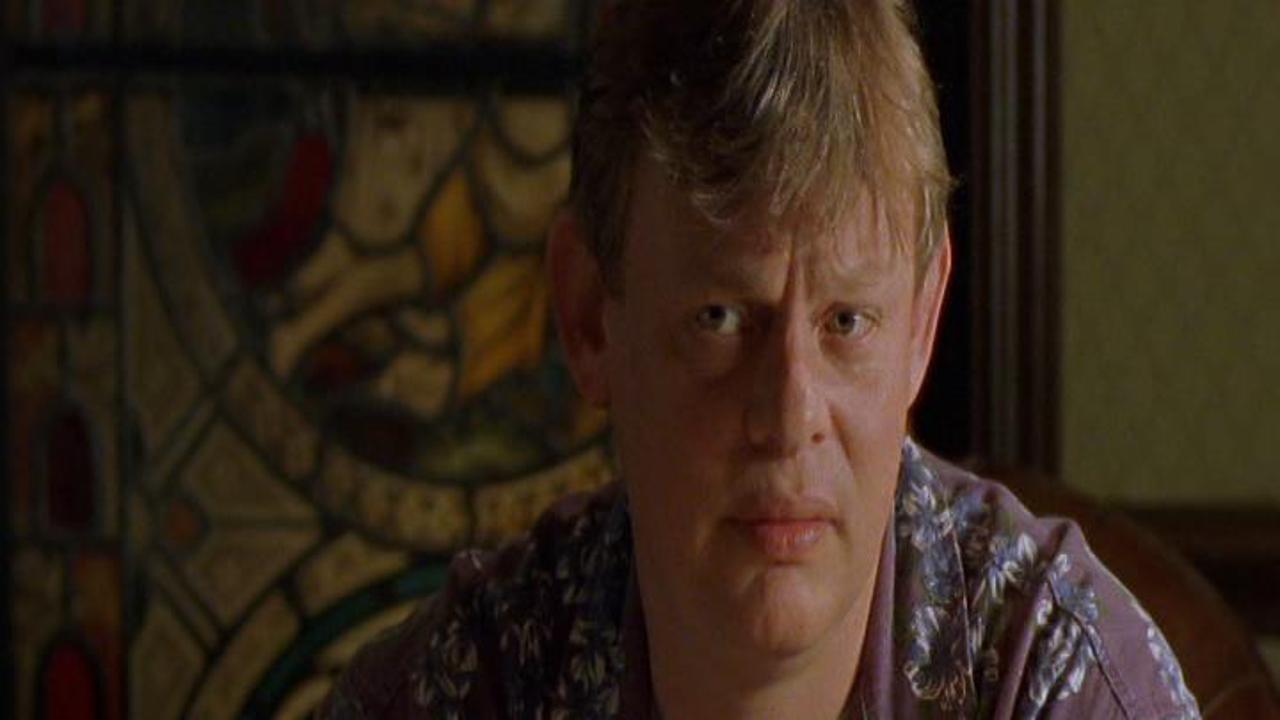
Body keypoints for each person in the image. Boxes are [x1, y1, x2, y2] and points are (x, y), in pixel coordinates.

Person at [318, 0, 1200, 717]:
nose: (788, 417)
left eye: (846, 322)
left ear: (921, 324)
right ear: (589, 318)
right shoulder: (461, 688)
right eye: (722, 318)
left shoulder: (1056, 683)